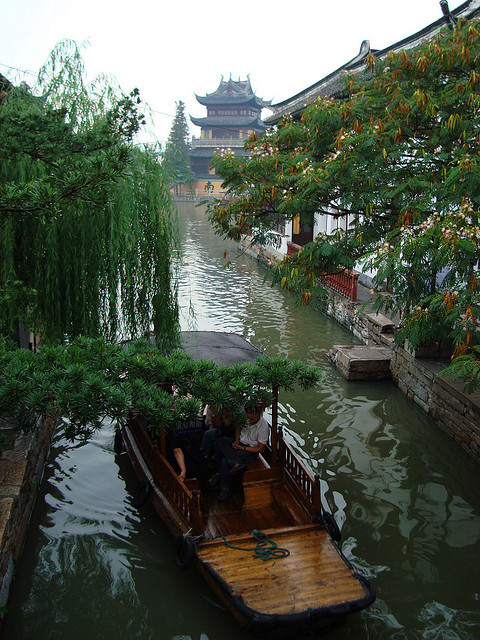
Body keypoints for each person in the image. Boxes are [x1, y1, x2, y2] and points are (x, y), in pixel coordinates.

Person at [211, 406, 270, 502]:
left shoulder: (263, 426)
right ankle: (235, 462)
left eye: (253, 414)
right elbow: (238, 427)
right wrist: (237, 441)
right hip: (240, 445)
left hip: (250, 451)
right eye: (249, 413)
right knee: (219, 442)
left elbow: (260, 448)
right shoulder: (244, 419)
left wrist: (243, 448)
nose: (250, 416)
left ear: (259, 413)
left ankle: (225, 490)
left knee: (224, 461)